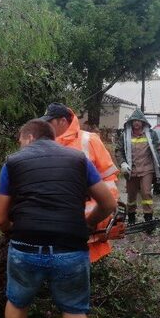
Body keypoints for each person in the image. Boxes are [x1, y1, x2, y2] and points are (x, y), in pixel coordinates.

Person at [0, 119, 116, 318]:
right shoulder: (78, 160)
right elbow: (108, 203)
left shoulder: (13, 163)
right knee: (74, 310)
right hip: (69, 246)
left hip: (25, 245)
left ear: (28, 137)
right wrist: (88, 225)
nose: (20, 145)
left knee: (17, 300)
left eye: (20, 140)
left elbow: (0, 218)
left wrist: (11, 231)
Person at [39, 103, 120, 262]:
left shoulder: (89, 140)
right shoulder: (45, 145)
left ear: (62, 121)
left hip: (89, 226)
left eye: (49, 122)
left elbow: (109, 185)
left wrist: (99, 223)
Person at [115, 109, 160, 224]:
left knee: (146, 193)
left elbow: (157, 151)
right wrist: (122, 163)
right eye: (134, 121)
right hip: (131, 170)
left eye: (139, 121)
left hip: (147, 169)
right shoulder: (125, 135)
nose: (136, 123)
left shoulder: (151, 134)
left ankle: (148, 217)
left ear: (143, 122)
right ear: (131, 122)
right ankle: (131, 217)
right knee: (131, 196)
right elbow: (118, 151)